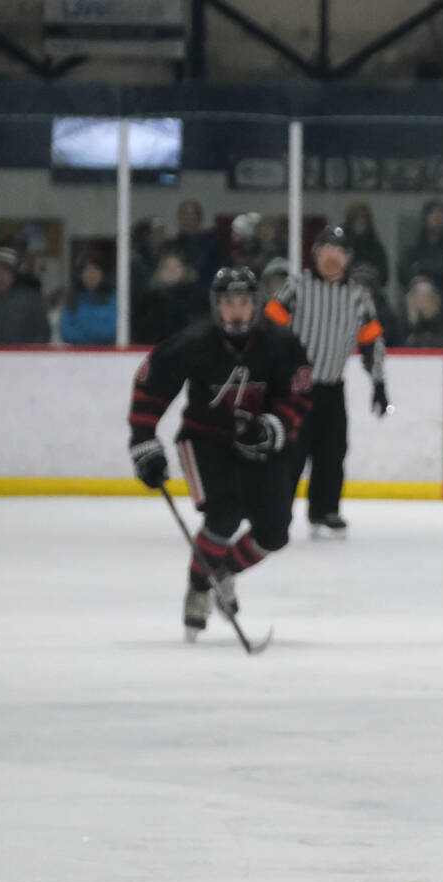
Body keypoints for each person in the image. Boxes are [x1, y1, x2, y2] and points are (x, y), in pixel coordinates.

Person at [126, 267, 313, 640]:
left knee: (274, 532)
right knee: (223, 514)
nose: (237, 311)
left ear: (256, 304)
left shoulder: (279, 343)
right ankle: (199, 587)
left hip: (258, 442)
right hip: (203, 440)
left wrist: (274, 427)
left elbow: (299, 393)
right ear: (216, 306)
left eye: (244, 302)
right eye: (229, 303)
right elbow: (151, 385)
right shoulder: (193, 342)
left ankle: (222, 572)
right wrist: (143, 438)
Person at [264, 225, 389, 537]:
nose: (331, 258)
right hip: (294, 388)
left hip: (332, 388)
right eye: (325, 251)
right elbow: (268, 330)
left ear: (348, 258)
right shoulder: (296, 287)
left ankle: (325, 510)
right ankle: (277, 508)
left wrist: (378, 383)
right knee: (290, 452)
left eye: (338, 252)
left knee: (332, 452)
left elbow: (372, 342)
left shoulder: (358, 298)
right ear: (315, 255)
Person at [57, 255, 119, 347]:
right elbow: (66, 332)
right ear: (81, 274)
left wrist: (85, 332)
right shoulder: (72, 298)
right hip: (78, 355)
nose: (91, 274)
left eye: (95, 269)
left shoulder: (114, 298)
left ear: (103, 273)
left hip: (108, 354)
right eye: (87, 270)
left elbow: (114, 330)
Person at [398, 200, 443, 297]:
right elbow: (404, 274)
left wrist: (421, 266)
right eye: (433, 213)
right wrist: (442, 266)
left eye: (441, 213)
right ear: (425, 219)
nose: (437, 217)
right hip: (419, 298)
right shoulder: (413, 250)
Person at [341, 201, 389, 285]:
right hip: (345, 290)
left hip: (370, 290)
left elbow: (384, 276)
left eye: (363, 221)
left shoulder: (375, 247)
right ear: (350, 223)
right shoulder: (341, 245)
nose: (360, 224)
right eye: (357, 220)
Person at [400, 274, 443, 348]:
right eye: (418, 294)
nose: (423, 298)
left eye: (427, 295)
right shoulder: (404, 320)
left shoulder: (442, 320)